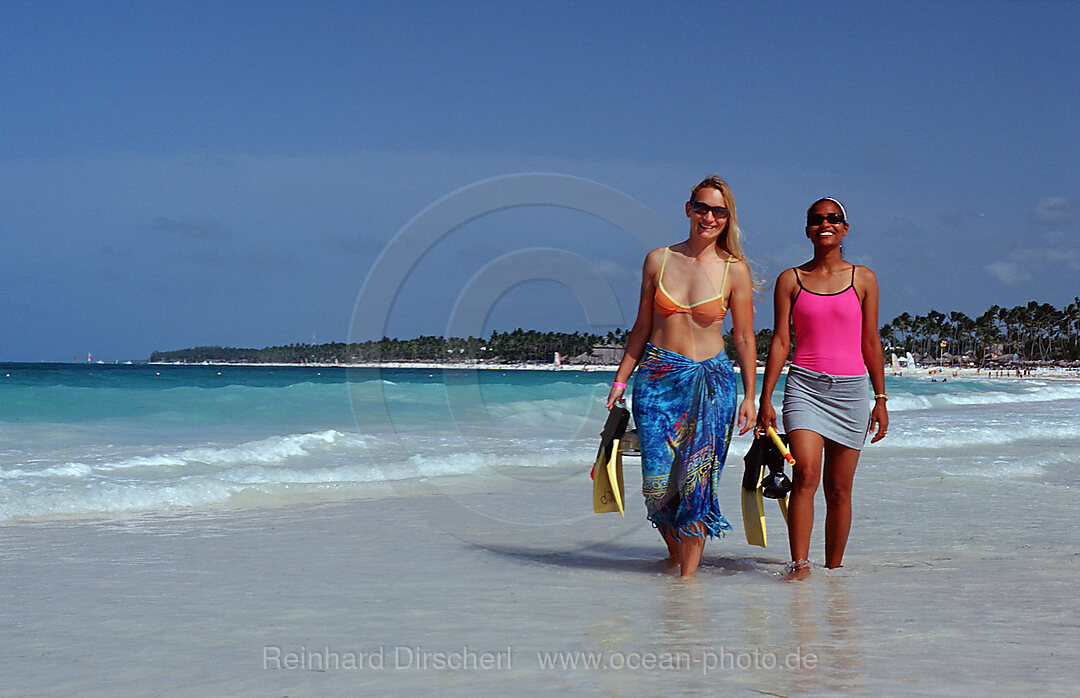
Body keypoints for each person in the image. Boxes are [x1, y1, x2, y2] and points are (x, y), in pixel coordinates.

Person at [605, 176, 757, 578]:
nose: (709, 217)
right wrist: (621, 380)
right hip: (656, 379)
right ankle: (676, 559)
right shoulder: (658, 260)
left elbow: (743, 337)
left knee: (697, 485)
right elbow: (641, 326)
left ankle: (686, 584)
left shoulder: (734, 270)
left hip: (711, 384)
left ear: (727, 219)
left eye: (718, 211)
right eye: (702, 207)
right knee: (657, 487)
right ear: (687, 208)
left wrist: (751, 396)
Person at [757, 197, 888, 580]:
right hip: (804, 389)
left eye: (833, 219)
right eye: (816, 220)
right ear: (807, 230)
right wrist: (766, 398)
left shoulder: (863, 279)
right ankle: (799, 565)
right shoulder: (790, 280)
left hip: (851, 393)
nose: (824, 224)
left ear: (845, 228)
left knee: (840, 489)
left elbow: (870, 342)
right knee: (807, 475)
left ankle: (834, 571)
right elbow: (781, 341)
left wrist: (880, 399)